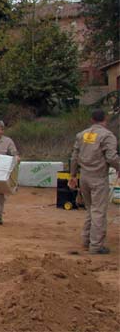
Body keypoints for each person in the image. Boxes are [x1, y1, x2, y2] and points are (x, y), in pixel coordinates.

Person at [69, 109, 120, 255]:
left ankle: (86, 240)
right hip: (98, 177)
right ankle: (96, 245)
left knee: (90, 209)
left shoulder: (82, 135)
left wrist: (73, 175)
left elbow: (74, 157)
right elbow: (111, 157)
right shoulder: (107, 136)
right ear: (105, 119)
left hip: (84, 176)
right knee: (98, 211)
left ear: (92, 120)